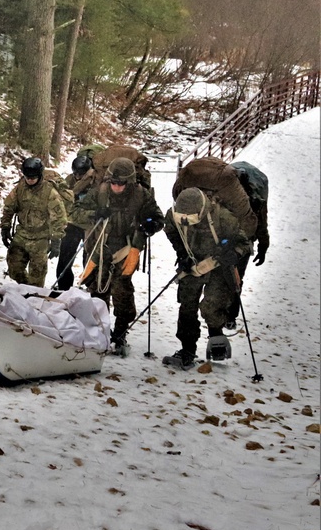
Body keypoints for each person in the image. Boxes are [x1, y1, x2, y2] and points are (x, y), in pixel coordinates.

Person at [71, 158, 164, 356]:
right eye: (113, 182)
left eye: (121, 183)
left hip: (126, 249)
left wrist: (151, 224)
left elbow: (157, 216)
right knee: (97, 291)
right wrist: (95, 214)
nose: (116, 187)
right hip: (100, 247)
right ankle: (97, 331)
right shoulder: (100, 192)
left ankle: (120, 333)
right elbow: (75, 213)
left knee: (122, 292)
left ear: (129, 182)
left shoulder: (141, 195)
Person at [162, 187, 250, 370]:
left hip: (218, 266)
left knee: (212, 306)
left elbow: (244, 243)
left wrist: (233, 254)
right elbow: (170, 230)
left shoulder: (223, 217)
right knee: (187, 306)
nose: (186, 221)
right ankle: (187, 349)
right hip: (192, 265)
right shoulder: (173, 214)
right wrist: (181, 252)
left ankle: (216, 337)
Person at [0, 157, 67, 289]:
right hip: (22, 234)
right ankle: (25, 289)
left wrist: (56, 240)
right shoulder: (20, 188)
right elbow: (9, 207)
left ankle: (33, 296)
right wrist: (5, 227)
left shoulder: (49, 192)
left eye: (33, 177)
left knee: (37, 276)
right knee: (14, 268)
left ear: (39, 175)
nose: (30, 180)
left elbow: (59, 217)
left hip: (40, 238)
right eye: (27, 177)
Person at [225, 161, 269, 330]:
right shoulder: (255, 197)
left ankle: (228, 314)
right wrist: (263, 244)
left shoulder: (253, 197)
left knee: (233, 277)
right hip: (242, 240)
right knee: (236, 278)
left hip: (239, 241)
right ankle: (230, 315)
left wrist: (263, 245)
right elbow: (262, 222)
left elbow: (261, 220)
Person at [54, 154, 95, 291]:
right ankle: (63, 288)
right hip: (73, 224)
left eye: (81, 174)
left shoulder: (96, 181)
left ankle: (91, 288)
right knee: (65, 258)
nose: (78, 176)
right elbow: (62, 199)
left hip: (91, 225)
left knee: (89, 260)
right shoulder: (70, 180)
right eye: (75, 173)